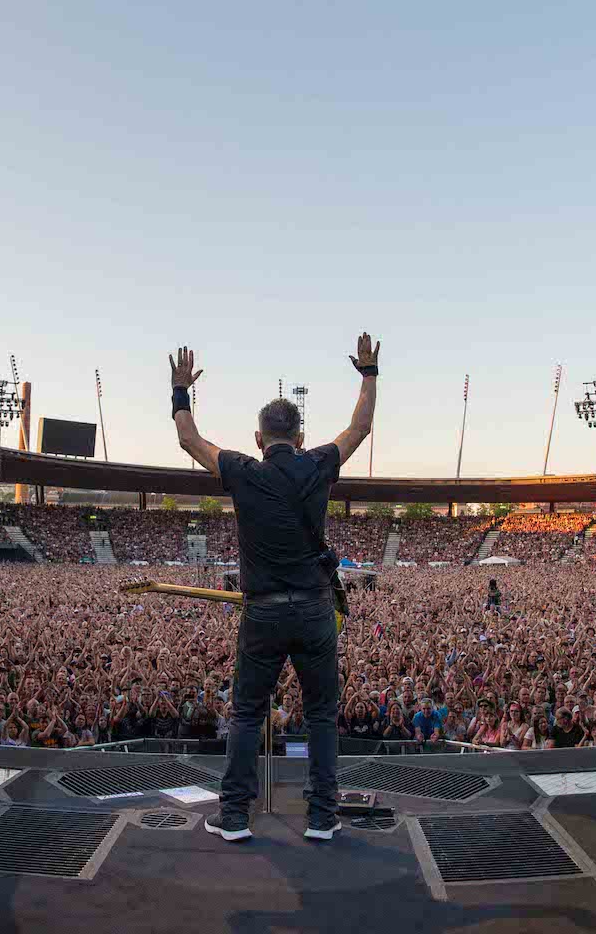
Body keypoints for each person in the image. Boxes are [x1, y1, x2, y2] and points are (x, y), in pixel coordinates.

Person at [171, 334, 379, 844]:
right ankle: (323, 817)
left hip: (262, 612)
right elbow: (360, 427)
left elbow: (189, 440)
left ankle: (235, 817)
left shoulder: (242, 469)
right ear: (301, 437)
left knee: (246, 713)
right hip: (313, 608)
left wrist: (180, 391)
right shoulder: (320, 464)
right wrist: (369, 374)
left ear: (260, 439)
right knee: (322, 716)